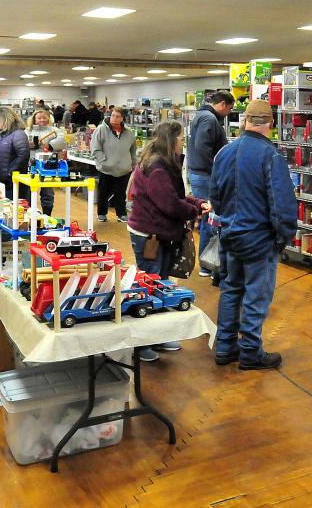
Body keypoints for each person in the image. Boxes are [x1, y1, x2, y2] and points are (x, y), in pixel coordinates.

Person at [210, 100, 297, 371]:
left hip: (229, 235)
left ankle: (224, 347)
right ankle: (250, 352)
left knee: (231, 289)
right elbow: (281, 203)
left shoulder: (224, 153)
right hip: (258, 238)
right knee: (256, 296)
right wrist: (283, 237)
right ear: (270, 124)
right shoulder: (270, 156)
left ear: (244, 121)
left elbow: (215, 196)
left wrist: (227, 222)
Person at [127, 120, 210, 362]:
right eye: (181, 137)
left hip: (158, 234)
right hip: (150, 236)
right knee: (150, 287)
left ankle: (158, 337)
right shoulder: (158, 168)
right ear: (170, 140)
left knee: (160, 285)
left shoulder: (161, 164)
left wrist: (196, 202)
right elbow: (170, 204)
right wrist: (194, 210)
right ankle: (143, 344)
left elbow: (174, 197)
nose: (184, 141)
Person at [187, 91, 234, 277]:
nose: (229, 113)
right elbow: (202, 148)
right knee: (210, 218)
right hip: (205, 175)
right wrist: (215, 172)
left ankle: (208, 263)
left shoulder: (201, 115)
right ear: (222, 104)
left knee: (208, 217)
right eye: (229, 109)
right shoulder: (209, 119)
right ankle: (208, 264)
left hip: (199, 174)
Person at [91, 107, 137, 222]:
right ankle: (102, 213)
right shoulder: (101, 129)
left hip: (124, 169)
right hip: (106, 169)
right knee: (103, 192)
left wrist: (133, 164)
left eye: (117, 116)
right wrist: (104, 161)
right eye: (112, 115)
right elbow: (95, 148)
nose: (114, 118)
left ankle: (121, 214)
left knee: (120, 193)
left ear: (122, 118)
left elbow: (133, 150)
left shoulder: (129, 132)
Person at [0, 107, 31, 200]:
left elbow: (23, 156)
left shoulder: (18, 134)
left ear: (6, 118)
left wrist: (9, 173)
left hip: (12, 183)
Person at [26, 109, 63, 215]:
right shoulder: (28, 130)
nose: (42, 120)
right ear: (34, 119)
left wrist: (49, 145)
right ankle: (29, 214)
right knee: (29, 190)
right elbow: (20, 141)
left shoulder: (55, 130)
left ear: (48, 118)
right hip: (31, 164)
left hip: (48, 165)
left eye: (44, 117)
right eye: (39, 118)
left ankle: (47, 215)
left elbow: (62, 141)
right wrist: (27, 144)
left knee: (47, 192)